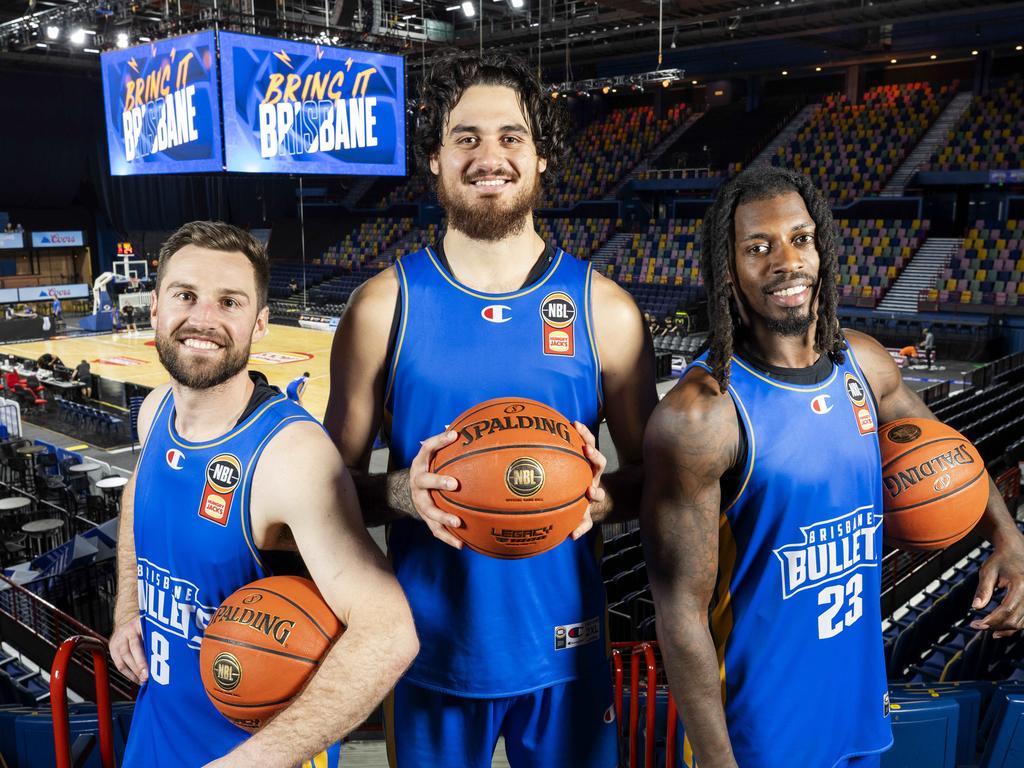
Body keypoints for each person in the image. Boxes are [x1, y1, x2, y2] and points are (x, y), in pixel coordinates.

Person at [324, 53, 657, 767]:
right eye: (465, 137)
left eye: (512, 137)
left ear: (541, 160)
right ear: (436, 161)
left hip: (568, 647)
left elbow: (660, 485)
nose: (489, 156)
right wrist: (400, 493)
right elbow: (325, 493)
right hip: (429, 646)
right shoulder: (382, 307)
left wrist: (597, 500)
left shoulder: (608, 311)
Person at [642, 166, 1024, 768]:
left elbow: (946, 451)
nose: (785, 261)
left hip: (857, 709)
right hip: (760, 733)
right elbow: (680, 614)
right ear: (728, 269)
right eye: (757, 247)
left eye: (800, 238)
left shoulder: (864, 365)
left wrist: (1005, 533)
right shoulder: (702, 417)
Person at [109, 221, 418, 768]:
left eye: (229, 301)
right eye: (186, 295)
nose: (203, 318)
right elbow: (139, 492)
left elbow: (390, 630)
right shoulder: (155, 413)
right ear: (154, 307)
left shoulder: (290, 456)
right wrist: (129, 605)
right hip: (154, 733)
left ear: (260, 322)